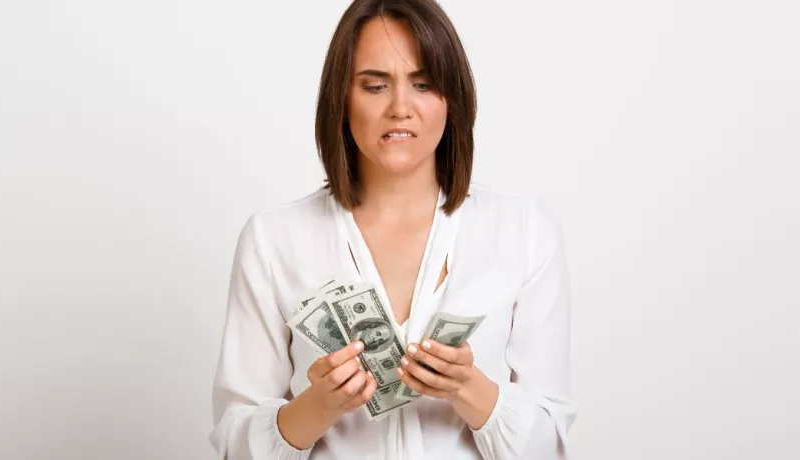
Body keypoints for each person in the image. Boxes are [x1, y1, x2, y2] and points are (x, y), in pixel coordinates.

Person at [208, 0, 577, 458]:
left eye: (423, 84)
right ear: (342, 99)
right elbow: (234, 445)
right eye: (375, 86)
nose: (400, 108)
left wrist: (468, 389)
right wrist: (317, 406)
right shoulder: (273, 239)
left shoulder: (524, 231)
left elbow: (549, 447)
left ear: (452, 99)